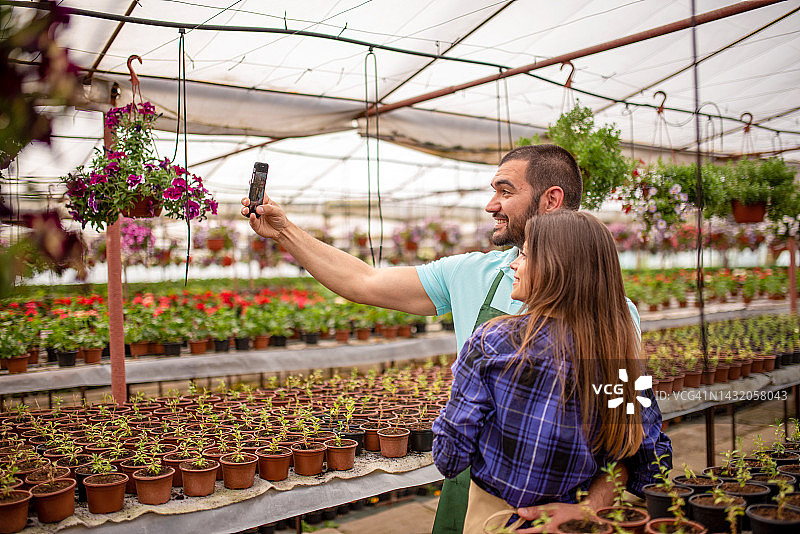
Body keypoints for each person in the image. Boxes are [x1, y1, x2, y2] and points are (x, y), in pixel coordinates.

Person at [241, 144, 643, 533]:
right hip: (472, 494)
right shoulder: (472, 272)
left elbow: (628, 438)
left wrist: (586, 513)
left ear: (550, 199)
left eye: (505, 191)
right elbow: (365, 280)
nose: (491, 205)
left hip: (569, 507)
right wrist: (285, 232)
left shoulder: (614, 316)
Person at [432, 211, 671, 533]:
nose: (514, 264)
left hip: (501, 518)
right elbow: (649, 458)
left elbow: (450, 456)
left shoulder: (495, 341)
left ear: (555, 268)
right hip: (584, 520)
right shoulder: (614, 351)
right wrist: (591, 506)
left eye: (525, 254)